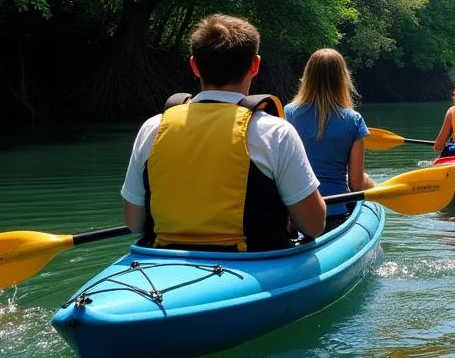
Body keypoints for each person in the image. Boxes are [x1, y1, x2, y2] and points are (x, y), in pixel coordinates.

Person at [121, 13, 326, 250]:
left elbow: (134, 223)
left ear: (194, 66)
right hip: (252, 263)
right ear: (255, 65)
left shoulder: (153, 127)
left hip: (162, 259)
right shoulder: (275, 132)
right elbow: (313, 225)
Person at [284, 48, 374, 230]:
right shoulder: (353, 120)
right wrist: (373, 187)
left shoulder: (285, 114)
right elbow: (356, 184)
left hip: (292, 216)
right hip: (334, 212)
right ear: (343, 79)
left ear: (307, 76)